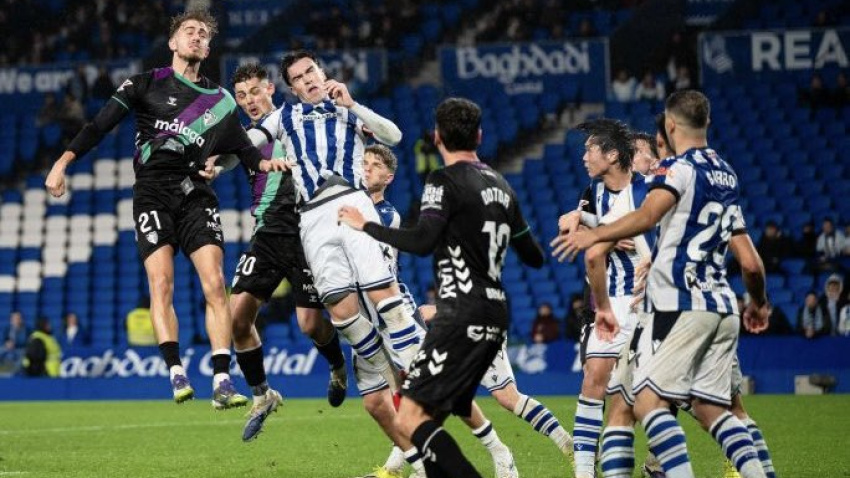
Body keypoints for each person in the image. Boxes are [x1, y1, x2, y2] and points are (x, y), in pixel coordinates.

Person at [45, 10, 286, 408]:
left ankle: (223, 381)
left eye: (203, 34)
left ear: (208, 49)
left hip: (196, 194)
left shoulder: (222, 103)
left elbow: (245, 151)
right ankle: (176, 372)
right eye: (188, 31)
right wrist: (62, 162)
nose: (196, 37)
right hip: (153, 193)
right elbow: (100, 125)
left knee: (214, 284)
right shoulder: (145, 83)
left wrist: (265, 162)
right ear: (173, 42)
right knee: (162, 284)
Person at [553, 90, 774, 478]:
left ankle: (664, 468)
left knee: (644, 404)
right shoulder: (725, 173)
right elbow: (751, 263)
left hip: (673, 303)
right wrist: (758, 302)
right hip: (721, 305)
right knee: (709, 408)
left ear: (670, 127)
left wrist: (597, 237)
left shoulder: (672, 173)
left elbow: (648, 217)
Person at [339, 97, 546, 478]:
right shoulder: (501, 185)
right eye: (363, 163)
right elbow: (533, 256)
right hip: (494, 306)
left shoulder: (435, 185)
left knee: (430, 401)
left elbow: (420, 242)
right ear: (480, 136)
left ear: (436, 138)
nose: (367, 169)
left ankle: (498, 454)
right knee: (401, 402)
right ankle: (410, 464)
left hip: (439, 309)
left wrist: (363, 226)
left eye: (375, 165)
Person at [247, 50, 420, 398]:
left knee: (384, 294)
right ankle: (389, 372)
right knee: (341, 314)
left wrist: (354, 105)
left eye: (310, 71)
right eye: (298, 78)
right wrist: (216, 163)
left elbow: (394, 136)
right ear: (293, 89)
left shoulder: (346, 109)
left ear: (322, 72)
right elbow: (249, 143)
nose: (307, 79)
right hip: (311, 217)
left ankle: (421, 368)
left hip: (352, 203)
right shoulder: (284, 116)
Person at [221, 63, 347, 441]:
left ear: (271, 89)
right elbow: (227, 157)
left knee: (310, 324)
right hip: (267, 234)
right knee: (236, 318)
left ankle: (338, 367)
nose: (249, 102)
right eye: (242, 97)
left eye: (255, 93)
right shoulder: (248, 137)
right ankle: (263, 395)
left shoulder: (296, 119)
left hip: (306, 230)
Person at [553, 118, 652, 478]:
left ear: (611, 155)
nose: (583, 157)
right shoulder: (594, 193)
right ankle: (583, 472)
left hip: (651, 304)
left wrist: (607, 231)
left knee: (666, 399)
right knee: (594, 378)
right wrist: (599, 227)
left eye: (589, 150)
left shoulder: (650, 191)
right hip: (612, 300)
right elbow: (571, 225)